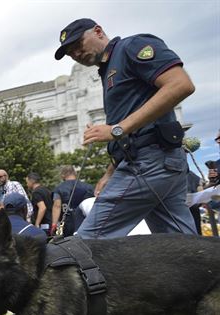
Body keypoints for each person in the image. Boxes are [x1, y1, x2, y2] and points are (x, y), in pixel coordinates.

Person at [55, 18, 197, 238]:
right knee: (184, 248)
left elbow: (181, 84)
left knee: (85, 244)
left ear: (98, 31)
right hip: (158, 162)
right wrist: (110, 172)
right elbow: (129, 129)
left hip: (149, 162)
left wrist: (116, 129)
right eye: (70, 52)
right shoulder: (108, 70)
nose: (75, 54)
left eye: (78, 45)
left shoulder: (132, 47)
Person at [51, 166, 95, 237]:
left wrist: (54, 224)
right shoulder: (88, 187)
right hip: (85, 221)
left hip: (67, 223)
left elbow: (57, 206)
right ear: (75, 173)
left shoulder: (58, 188)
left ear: (62, 175)